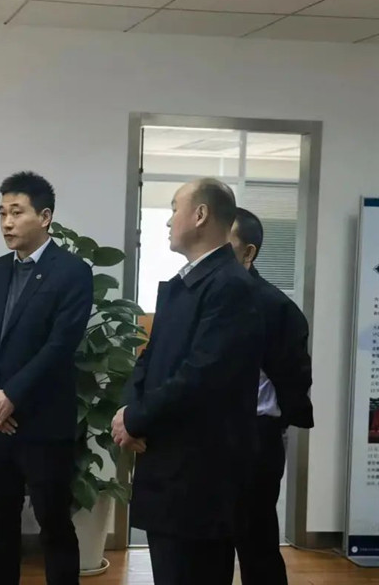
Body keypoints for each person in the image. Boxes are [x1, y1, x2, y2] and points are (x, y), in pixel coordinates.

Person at [111, 178, 264, 585]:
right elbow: (150, 356)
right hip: (170, 468)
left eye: (174, 208)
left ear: (200, 215)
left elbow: (200, 375)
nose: (168, 221)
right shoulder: (186, 283)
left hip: (200, 478)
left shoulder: (231, 287)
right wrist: (129, 409)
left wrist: (137, 419)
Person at [0, 171, 93, 585]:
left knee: (53, 523)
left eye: (17, 213)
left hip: (42, 423)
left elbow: (59, 346)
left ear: (45, 216)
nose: (7, 223)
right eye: (2, 213)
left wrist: (13, 397)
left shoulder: (72, 272)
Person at [229, 207, 314, 585]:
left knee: (257, 541)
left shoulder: (276, 307)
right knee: (207, 542)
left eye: (224, 245)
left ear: (248, 253)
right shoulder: (196, 296)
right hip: (206, 436)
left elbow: (296, 378)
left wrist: (278, 424)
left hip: (256, 435)